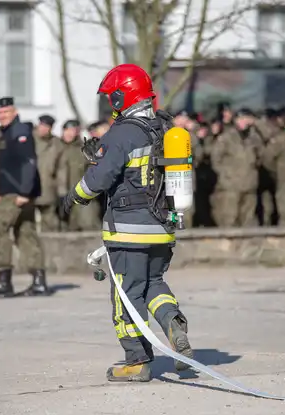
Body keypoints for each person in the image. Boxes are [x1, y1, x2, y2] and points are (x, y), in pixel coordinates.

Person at [59, 64, 194, 382]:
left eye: (112, 97)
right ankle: (172, 322)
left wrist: (74, 197)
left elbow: (101, 178)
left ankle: (137, 360)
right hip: (162, 228)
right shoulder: (163, 128)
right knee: (153, 285)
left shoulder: (122, 132)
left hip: (128, 231)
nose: (110, 104)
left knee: (126, 295)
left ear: (122, 97)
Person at [0, 96, 50, 299]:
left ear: (15, 113)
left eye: (6, 112)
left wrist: (24, 192)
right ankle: (39, 281)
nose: (2, 116)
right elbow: (6, 168)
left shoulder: (19, 131)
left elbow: (28, 163)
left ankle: (4, 281)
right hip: (11, 192)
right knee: (26, 232)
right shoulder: (6, 133)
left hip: (17, 194)